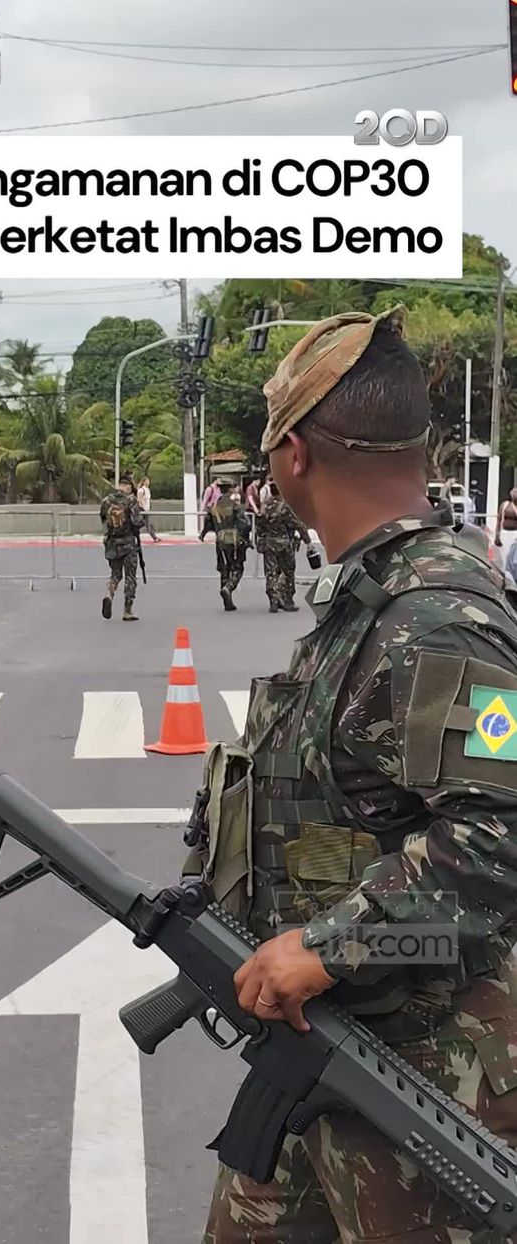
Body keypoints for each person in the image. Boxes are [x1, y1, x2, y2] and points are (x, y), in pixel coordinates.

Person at [196, 308, 517, 1242]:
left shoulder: (436, 615)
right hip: (331, 1053)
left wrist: (329, 947)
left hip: (424, 1081)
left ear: (292, 455)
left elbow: (498, 836)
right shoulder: (376, 595)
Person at [255, 480, 310, 612]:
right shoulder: (285, 507)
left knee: (271, 573)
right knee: (288, 572)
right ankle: (287, 600)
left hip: (269, 543)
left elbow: (259, 526)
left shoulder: (264, 506)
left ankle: (273, 601)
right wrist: (308, 542)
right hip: (285, 543)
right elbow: (298, 525)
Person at [199, 482, 251, 611]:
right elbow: (245, 524)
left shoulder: (215, 506)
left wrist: (203, 535)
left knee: (224, 568)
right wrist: (246, 539)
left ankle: (226, 599)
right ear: (230, 490)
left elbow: (208, 524)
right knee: (238, 567)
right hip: (234, 541)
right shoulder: (235, 506)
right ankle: (229, 588)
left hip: (220, 540)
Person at [100, 473, 144, 621]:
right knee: (130, 576)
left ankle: (109, 593)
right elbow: (137, 522)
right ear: (127, 486)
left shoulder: (107, 501)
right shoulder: (131, 501)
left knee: (115, 574)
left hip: (112, 543)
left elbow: (103, 518)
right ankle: (128, 609)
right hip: (128, 543)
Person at [136, 475, 161, 542]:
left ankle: (154, 537)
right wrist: (143, 507)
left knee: (145, 524)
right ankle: (154, 537)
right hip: (143, 509)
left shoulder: (147, 490)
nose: (148, 482)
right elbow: (139, 499)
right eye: (147, 481)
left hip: (147, 509)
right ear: (143, 482)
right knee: (146, 524)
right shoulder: (141, 490)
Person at [495, 486, 517, 556]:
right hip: (505, 533)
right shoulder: (504, 505)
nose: (515, 494)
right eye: (513, 492)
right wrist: (497, 536)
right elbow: (499, 521)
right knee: (505, 555)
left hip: (515, 534)